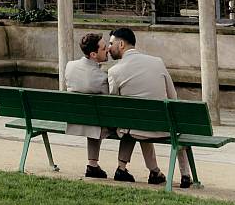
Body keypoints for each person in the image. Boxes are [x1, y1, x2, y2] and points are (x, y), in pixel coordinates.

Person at [107, 26, 193, 188]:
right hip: (162, 126)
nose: (109, 48)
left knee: (132, 122)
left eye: (111, 44)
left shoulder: (114, 71)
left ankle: (128, 168)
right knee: (171, 126)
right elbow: (173, 97)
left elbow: (114, 105)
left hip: (134, 128)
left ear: (121, 44)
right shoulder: (157, 62)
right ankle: (184, 174)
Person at [64, 31, 111, 178]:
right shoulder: (101, 78)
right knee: (127, 127)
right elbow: (110, 99)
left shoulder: (70, 66)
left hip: (75, 119)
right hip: (95, 121)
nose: (108, 49)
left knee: (93, 118)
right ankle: (121, 167)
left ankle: (93, 165)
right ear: (93, 55)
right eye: (104, 48)